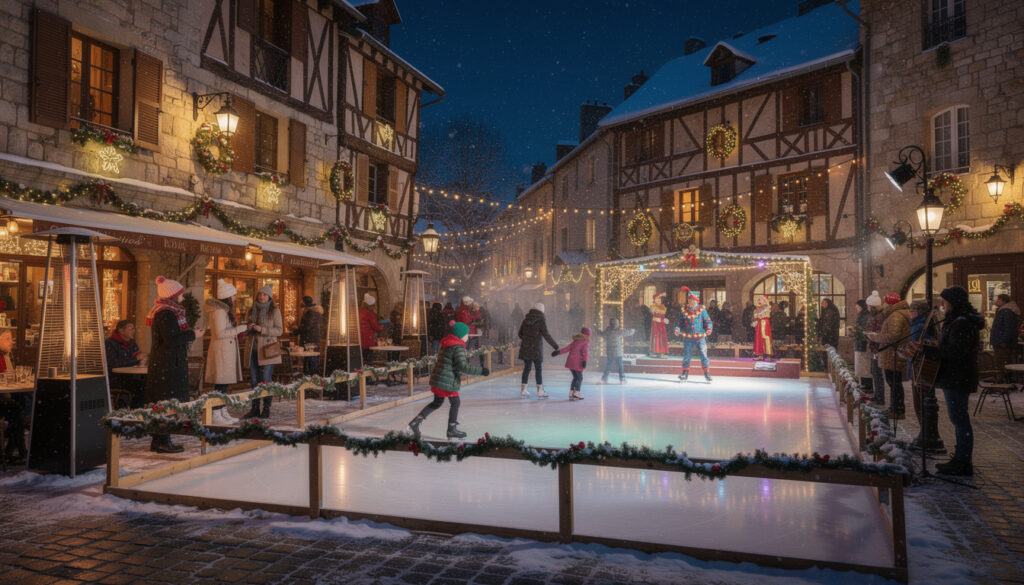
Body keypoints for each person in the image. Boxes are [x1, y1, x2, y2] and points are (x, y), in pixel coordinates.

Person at [915, 286, 984, 476]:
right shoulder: (960, 320)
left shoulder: (961, 322)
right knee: (958, 418)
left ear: (952, 302)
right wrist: (934, 345)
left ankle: (963, 461)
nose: (942, 305)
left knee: (959, 418)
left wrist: (928, 350)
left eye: (944, 301)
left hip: (958, 376)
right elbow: (952, 347)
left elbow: (955, 352)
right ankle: (961, 458)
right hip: (956, 375)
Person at [145, 276, 204, 453]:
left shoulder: (169, 312)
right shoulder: (166, 313)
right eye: (179, 294)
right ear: (172, 295)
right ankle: (162, 440)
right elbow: (171, 339)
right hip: (166, 365)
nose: (182, 297)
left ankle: (160, 439)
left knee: (165, 402)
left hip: (168, 364)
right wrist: (193, 334)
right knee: (166, 402)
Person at [407, 320, 488, 440]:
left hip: (440, 378)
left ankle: (416, 422)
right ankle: (451, 429)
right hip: (447, 380)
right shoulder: (458, 347)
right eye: (466, 334)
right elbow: (463, 366)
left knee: (437, 403)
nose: (468, 336)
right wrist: (481, 371)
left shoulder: (448, 343)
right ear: (461, 335)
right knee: (455, 402)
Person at [205, 280, 248, 426]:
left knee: (223, 385)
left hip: (226, 351)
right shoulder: (219, 311)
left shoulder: (224, 311)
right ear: (228, 297)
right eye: (234, 295)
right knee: (221, 384)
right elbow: (220, 333)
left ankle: (222, 410)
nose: (235, 298)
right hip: (222, 351)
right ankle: (216, 412)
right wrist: (240, 329)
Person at [243, 285, 283, 419]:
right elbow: (246, 329)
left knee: (266, 380)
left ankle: (266, 408)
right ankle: (255, 408)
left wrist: (262, 330)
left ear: (269, 297)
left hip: (267, 350)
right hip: (253, 350)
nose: (261, 297)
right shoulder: (251, 310)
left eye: (265, 295)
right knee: (254, 380)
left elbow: (279, 330)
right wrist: (248, 328)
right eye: (260, 294)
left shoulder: (275, 311)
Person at [868, 293, 910, 419]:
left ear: (889, 303)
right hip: (893, 353)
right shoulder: (896, 314)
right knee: (894, 383)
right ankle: (895, 408)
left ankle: (897, 410)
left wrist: (876, 337)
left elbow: (893, 335)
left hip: (893, 353)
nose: (883, 305)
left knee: (894, 383)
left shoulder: (896, 315)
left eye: (885, 302)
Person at [517, 302, 559, 398]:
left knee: (526, 368)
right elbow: (546, 334)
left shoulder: (525, 320)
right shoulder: (541, 320)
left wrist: (527, 339)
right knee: (538, 369)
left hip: (526, 347)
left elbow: (520, 334)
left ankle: (523, 389)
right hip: (536, 348)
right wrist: (555, 345)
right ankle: (540, 390)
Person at [105, 319, 147, 409]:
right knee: (139, 387)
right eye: (130, 329)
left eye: (133, 329)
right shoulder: (110, 343)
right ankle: (134, 411)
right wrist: (135, 359)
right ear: (121, 330)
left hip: (130, 376)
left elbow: (137, 356)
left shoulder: (132, 343)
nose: (133, 331)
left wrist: (142, 359)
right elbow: (114, 364)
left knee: (148, 382)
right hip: (116, 378)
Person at [0, 328, 28, 464]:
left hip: (5, 396)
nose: (11, 342)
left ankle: (12, 450)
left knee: (21, 403)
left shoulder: (6, 356)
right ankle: (16, 451)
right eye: (7, 339)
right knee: (17, 410)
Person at [674, 287, 713, 382]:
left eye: (693, 300)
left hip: (700, 337)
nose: (691, 302)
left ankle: (707, 373)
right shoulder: (684, 311)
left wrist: (709, 328)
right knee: (687, 355)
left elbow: (708, 321)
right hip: (688, 337)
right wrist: (677, 328)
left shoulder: (702, 310)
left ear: (696, 301)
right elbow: (679, 322)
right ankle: (685, 374)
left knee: (703, 355)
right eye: (689, 300)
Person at [553, 327, 591, 400]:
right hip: (578, 363)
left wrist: (558, 352)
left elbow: (567, 348)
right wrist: (585, 361)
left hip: (571, 362)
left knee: (575, 377)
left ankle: (571, 393)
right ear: (588, 335)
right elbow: (585, 353)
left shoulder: (576, 341)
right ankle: (576, 392)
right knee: (579, 378)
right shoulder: (585, 342)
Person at [989, 293, 1020, 381]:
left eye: (998, 300)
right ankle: (1003, 378)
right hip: (1001, 341)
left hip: (1002, 342)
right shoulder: (1003, 310)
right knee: (1000, 361)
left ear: (1003, 301)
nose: (996, 301)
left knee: (1001, 361)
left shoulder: (1007, 311)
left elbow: (1008, 327)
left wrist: (1003, 340)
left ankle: (1002, 379)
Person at [597, 317, 635, 384]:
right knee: (620, 366)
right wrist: (632, 330)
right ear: (617, 323)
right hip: (617, 352)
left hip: (609, 351)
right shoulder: (619, 331)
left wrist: (598, 330)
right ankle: (622, 379)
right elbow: (627, 332)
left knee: (608, 365)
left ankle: (604, 379)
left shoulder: (607, 331)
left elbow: (601, 334)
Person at [292, 296, 323, 375]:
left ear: (305, 303)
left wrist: (295, 332)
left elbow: (307, 327)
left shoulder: (310, 312)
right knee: (311, 360)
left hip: (310, 340)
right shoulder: (312, 312)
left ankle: (311, 379)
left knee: (310, 360)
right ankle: (312, 379)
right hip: (312, 339)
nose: (300, 304)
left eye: (301, 302)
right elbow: (308, 326)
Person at [865, 290, 886, 406]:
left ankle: (880, 396)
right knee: (875, 372)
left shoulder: (878, 318)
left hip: (876, 349)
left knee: (877, 373)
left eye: (868, 305)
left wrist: (869, 335)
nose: (867, 307)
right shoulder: (875, 317)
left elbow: (877, 333)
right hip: (875, 348)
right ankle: (878, 395)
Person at [850, 299, 872, 391]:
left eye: (858, 307)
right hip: (859, 343)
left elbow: (863, 329)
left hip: (863, 344)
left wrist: (855, 330)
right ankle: (864, 384)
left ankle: (867, 386)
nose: (857, 309)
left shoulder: (865, 316)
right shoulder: (861, 316)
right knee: (862, 366)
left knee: (864, 366)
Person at [359, 293, 383, 365]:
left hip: (360, 340)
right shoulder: (370, 314)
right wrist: (381, 327)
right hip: (368, 340)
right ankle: (368, 375)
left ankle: (362, 373)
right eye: (373, 305)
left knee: (362, 359)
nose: (374, 307)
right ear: (371, 306)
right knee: (368, 359)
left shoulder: (360, 312)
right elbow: (375, 327)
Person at [751, 295, 773, 361]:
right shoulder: (757, 309)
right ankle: (760, 354)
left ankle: (769, 355)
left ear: (764, 300)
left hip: (764, 323)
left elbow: (763, 316)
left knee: (766, 337)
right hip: (759, 325)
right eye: (758, 300)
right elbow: (756, 318)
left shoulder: (767, 307)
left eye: (760, 299)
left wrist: (758, 317)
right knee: (758, 339)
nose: (759, 301)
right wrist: (754, 323)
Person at [649, 293, 669, 358]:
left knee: (662, 338)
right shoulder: (653, 307)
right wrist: (662, 320)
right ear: (654, 299)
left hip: (662, 325)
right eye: (657, 298)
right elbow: (654, 317)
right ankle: (654, 352)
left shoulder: (662, 306)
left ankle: (661, 353)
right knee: (656, 338)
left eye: (660, 298)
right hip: (656, 325)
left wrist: (664, 320)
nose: (659, 299)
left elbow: (662, 316)